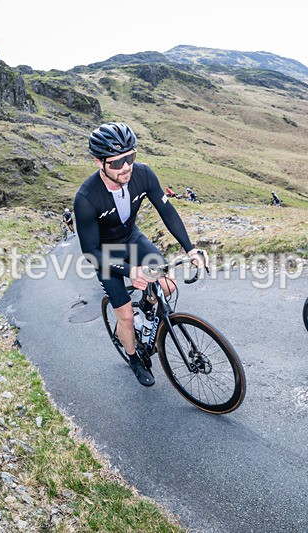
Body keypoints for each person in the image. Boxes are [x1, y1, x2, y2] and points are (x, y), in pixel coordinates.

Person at [74, 122, 206, 386]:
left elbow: (167, 211)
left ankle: (146, 306)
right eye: (116, 162)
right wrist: (129, 271)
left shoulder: (143, 174)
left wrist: (189, 248)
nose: (125, 167)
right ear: (98, 162)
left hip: (133, 239)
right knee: (124, 314)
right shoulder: (86, 198)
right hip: (105, 251)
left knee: (167, 285)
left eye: (130, 157)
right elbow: (90, 251)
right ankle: (134, 358)